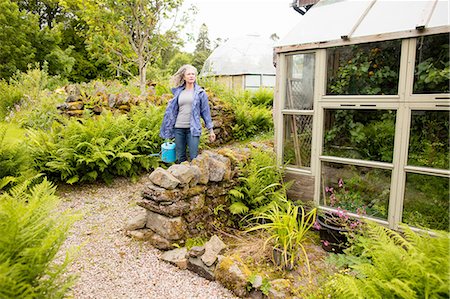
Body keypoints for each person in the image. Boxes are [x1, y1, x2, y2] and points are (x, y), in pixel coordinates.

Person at [160, 64, 216, 163]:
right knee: (180, 157)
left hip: (193, 128)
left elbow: (205, 112)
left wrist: (211, 130)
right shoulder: (178, 92)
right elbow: (171, 112)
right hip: (178, 128)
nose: (191, 76)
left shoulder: (200, 93)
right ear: (184, 77)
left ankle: (195, 178)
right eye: (189, 74)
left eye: (193, 74)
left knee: (194, 156)